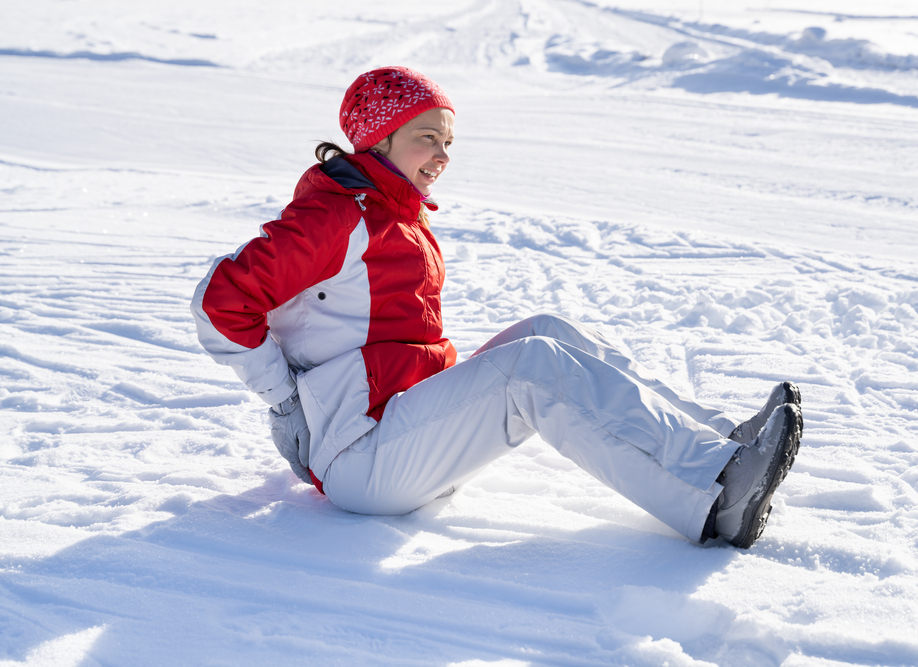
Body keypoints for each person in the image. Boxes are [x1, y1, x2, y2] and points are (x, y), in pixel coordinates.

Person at [191, 66, 803, 549]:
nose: (442, 155)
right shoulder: (334, 216)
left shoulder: (391, 214)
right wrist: (283, 400)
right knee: (530, 366)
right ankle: (717, 493)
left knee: (546, 331)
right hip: (364, 458)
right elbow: (220, 301)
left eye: (448, 141)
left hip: (405, 431)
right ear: (378, 139)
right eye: (426, 137)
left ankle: (720, 441)